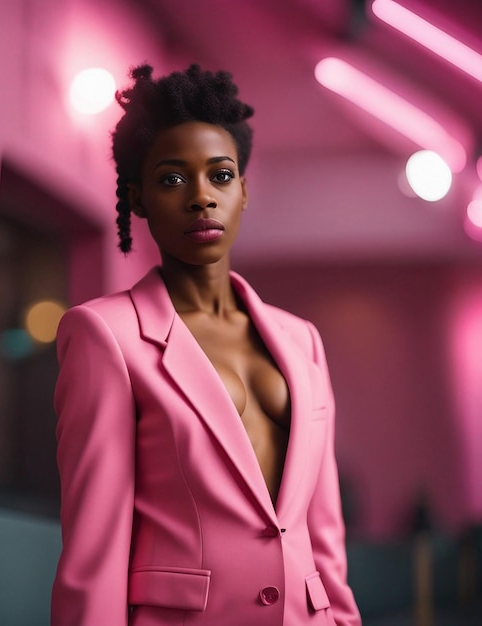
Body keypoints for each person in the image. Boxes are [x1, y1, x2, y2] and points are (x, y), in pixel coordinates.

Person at [51, 63, 361, 626]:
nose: (201, 198)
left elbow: (324, 531)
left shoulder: (302, 341)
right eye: (172, 179)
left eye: (220, 176)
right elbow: (93, 553)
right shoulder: (106, 336)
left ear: (243, 189)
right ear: (137, 198)